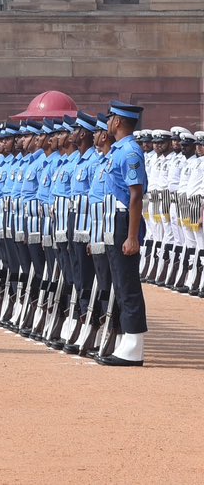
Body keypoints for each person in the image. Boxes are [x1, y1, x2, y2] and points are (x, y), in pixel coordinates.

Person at [97, 100, 149, 366]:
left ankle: (134, 344)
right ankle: (126, 341)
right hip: (112, 220)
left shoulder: (130, 151)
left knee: (128, 285)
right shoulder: (118, 150)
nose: (107, 122)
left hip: (123, 221)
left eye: (110, 117)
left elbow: (135, 195)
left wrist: (132, 236)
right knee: (120, 282)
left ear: (117, 121)